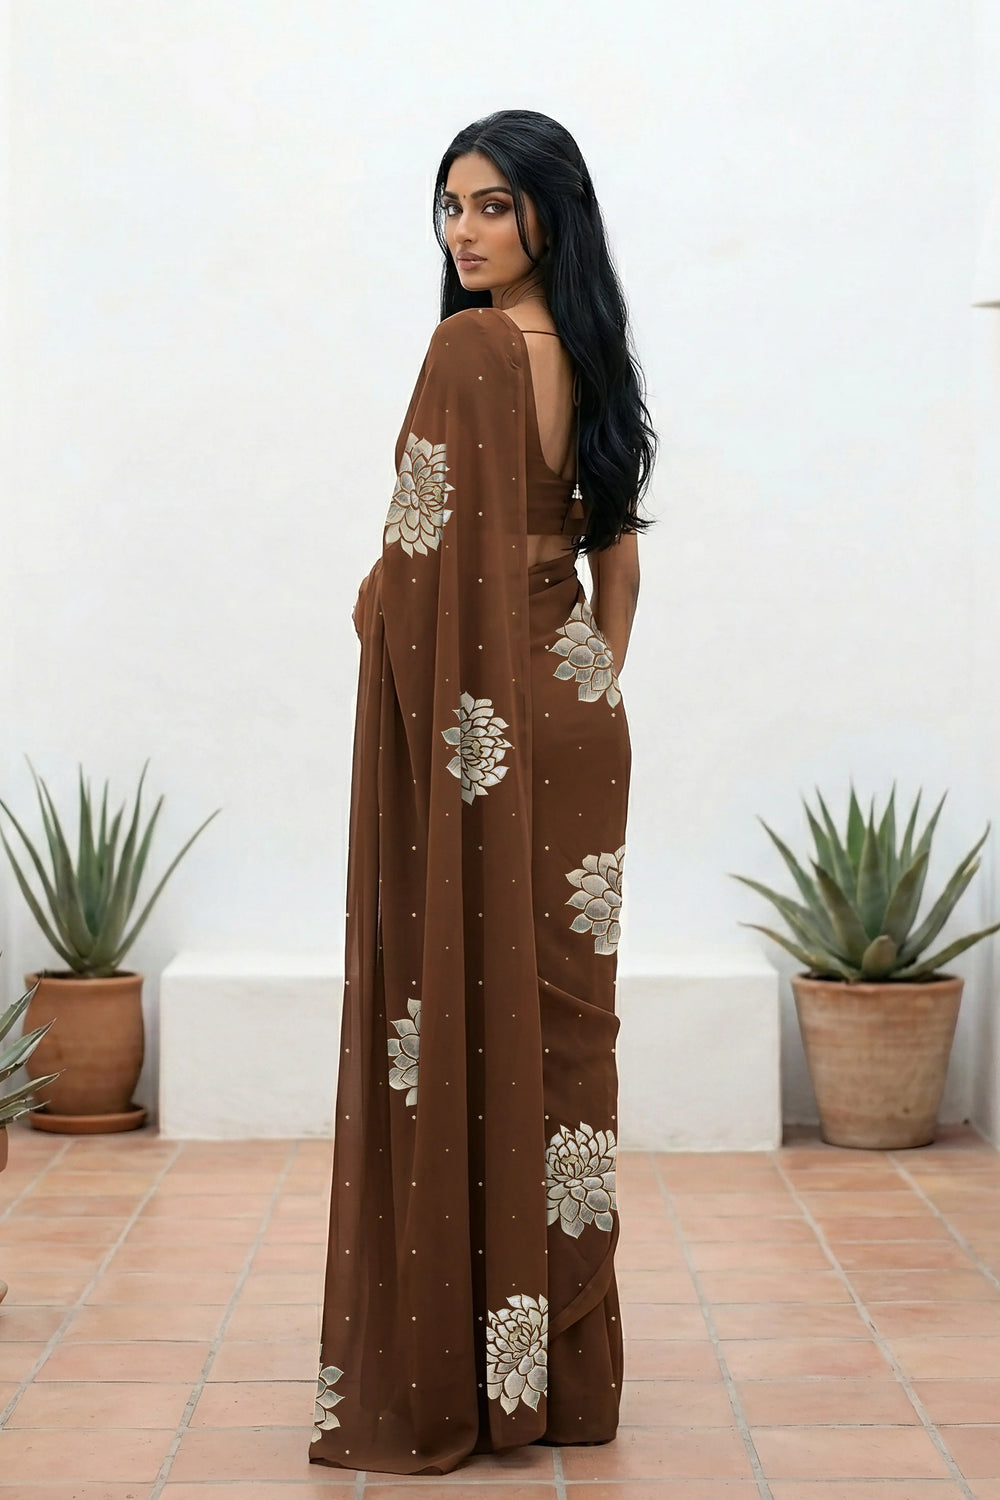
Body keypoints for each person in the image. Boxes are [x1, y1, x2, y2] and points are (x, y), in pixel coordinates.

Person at [309, 108, 656, 1478]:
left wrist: (386, 621)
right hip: (568, 716)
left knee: (456, 1011)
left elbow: (409, 558)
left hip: (475, 723)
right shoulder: (593, 353)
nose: (465, 231)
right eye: (450, 207)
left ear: (547, 217)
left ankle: (457, 1365)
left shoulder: (464, 349)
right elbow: (614, 555)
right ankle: (560, 1380)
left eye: (493, 206)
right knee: (562, 1043)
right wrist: (587, 684)